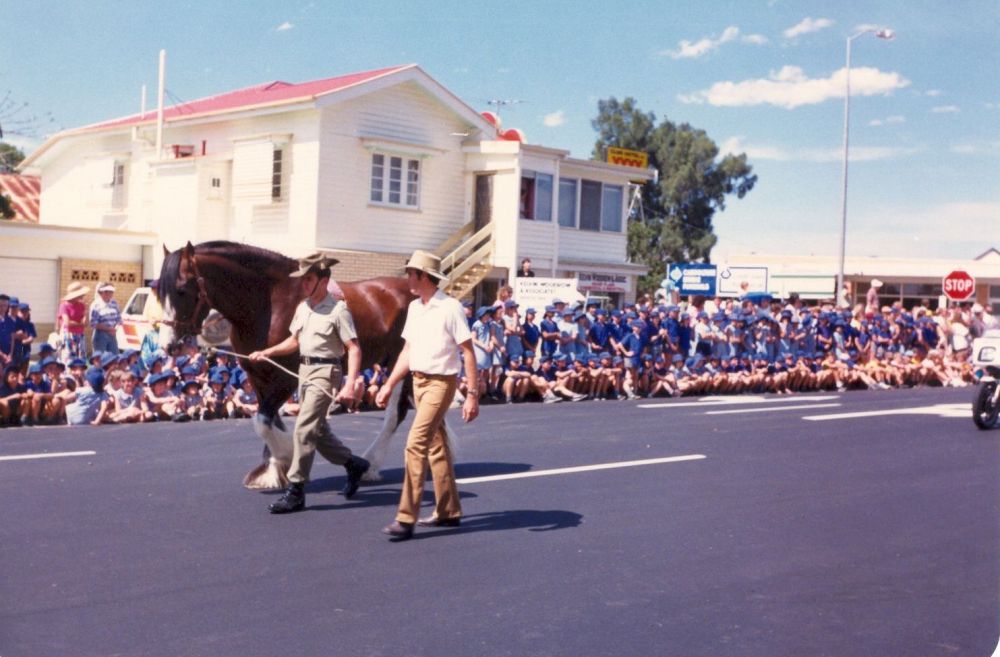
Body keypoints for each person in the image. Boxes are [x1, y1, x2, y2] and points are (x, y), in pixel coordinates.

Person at [249, 252, 369, 514]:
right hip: (304, 371)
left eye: (309, 279)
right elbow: (294, 340)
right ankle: (353, 464)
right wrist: (266, 353)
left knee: (303, 429)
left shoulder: (338, 310)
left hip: (326, 373)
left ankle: (296, 490)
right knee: (318, 431)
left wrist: (350, 383)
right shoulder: (303, 307)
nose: (303, 284)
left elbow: (354, 348)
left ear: (324, 280)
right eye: (302, 279)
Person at [375, 249, 479, 541]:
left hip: (440, 383)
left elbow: (468, 352)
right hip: (418, 383)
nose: (407, 277)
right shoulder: (415, 308)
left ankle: (405, 517)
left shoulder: (450, 308)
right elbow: (407, 351)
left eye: (411, 272)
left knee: (415, 444)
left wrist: (472, 394)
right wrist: (388, 384)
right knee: (436, 447)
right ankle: (448, 511)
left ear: (424, 276)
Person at [58, 281, 90, 362]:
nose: (82, 296)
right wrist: (80, 323)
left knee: (81, 359)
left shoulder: (81, 305)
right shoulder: (64, 306)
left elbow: (85, 323)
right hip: (69, 335)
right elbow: (67, 323)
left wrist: (86, 312)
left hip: (80, 335)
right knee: (68, 358)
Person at [89, 282, 122, 355]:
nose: (109, 294)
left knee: (114, 357)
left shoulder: (114, 303)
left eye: (111, 292)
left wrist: (115, 329)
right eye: (107, 292)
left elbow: (119, 319)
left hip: (112, 334)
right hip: (100, 335)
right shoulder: (96, 305)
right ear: (101, 292)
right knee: (100, 358)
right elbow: (93, 323)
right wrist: (108, 329)